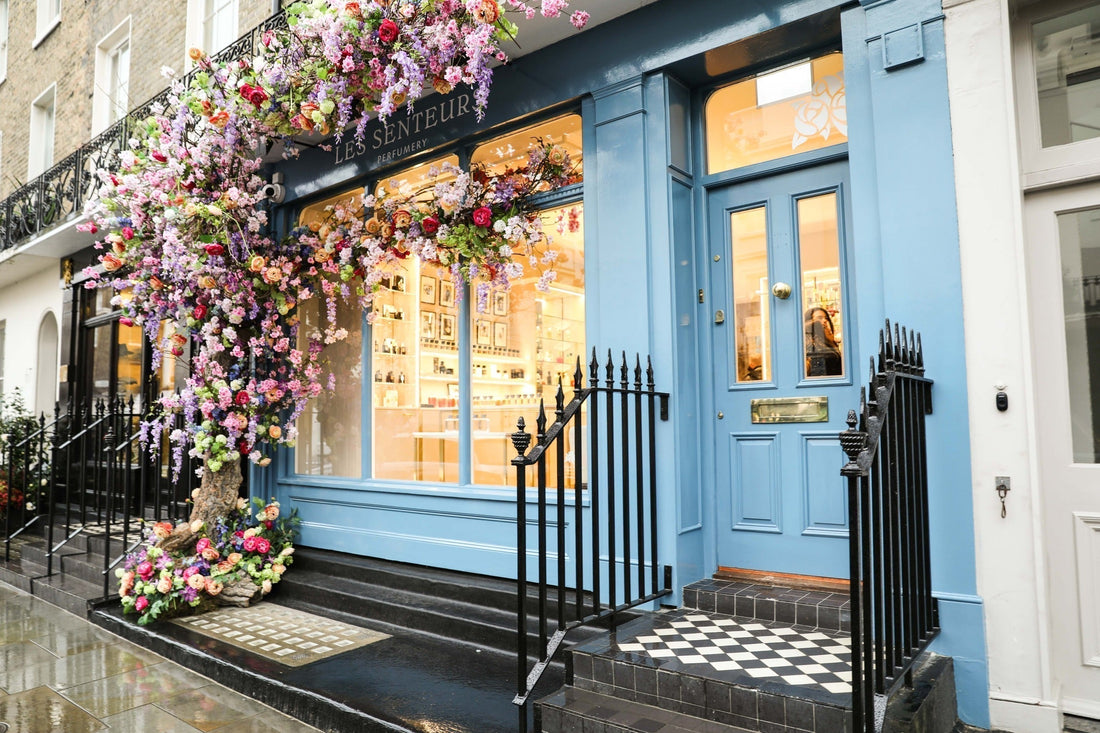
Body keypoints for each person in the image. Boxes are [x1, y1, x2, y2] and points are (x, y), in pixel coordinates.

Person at [804, 306, 842, 377]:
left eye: (826, 318)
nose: (825, 321)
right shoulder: (815, 349)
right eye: (819, 318)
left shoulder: (829, 344)